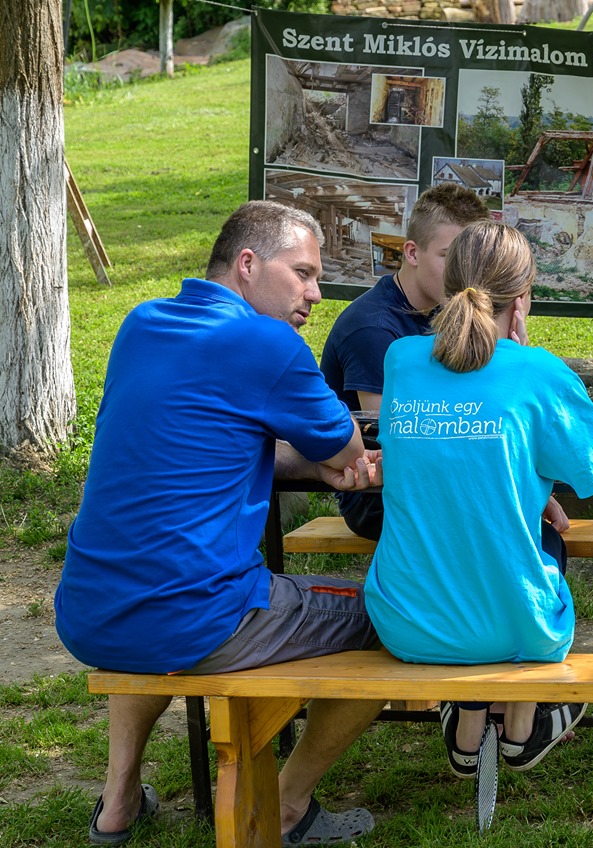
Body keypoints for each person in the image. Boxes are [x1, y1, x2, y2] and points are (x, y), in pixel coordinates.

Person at [55, 201, 386, 846]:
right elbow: (347, 449)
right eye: (304, 274)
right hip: (201, 618)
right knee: (402, 614)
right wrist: (331, 462)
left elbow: (210, 436)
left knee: (155, 599)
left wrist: (311, 465)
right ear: (248, 263)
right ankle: (289, 806)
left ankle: (118, 803)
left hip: (92, 611)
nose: (315, 295)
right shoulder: (266, 342)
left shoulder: (142, 322)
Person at [363, 220, 593, 778]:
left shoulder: (400, 359)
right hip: (520, 627)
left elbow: (446, 460)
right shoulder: (537, 370)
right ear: (522, 299)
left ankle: (470, 729)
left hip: (406, 620)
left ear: (449, 285)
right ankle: (522, 725)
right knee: (544, 540)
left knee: (477, 545)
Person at [319, 182, 491, 541]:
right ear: (411, 253)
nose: (465, 274)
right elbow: (392, 441)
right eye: (450, 257)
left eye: (472, 261)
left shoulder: (449, 309)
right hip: (375, 495)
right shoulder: (372, 329)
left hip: (433, 473)